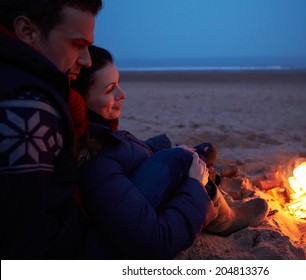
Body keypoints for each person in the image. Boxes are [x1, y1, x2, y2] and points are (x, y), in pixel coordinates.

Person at [72, 45, 270, 259]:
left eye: (118, 84)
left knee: (181, 148)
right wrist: (194, 185)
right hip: (119, 241)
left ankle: (209, 172)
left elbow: (128, 159)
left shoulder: (98, 134)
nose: (122, 94)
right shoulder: (97, 163)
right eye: (110, 89)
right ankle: (225, 215)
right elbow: (155, 240)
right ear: (80, 101)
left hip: (127, 185)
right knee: (181, 158)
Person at [0, 0, 103, 259]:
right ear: (27, 31)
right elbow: (23, 245)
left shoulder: (24, 85)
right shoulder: (30, 112)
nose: (87, 61)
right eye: (78, 45)